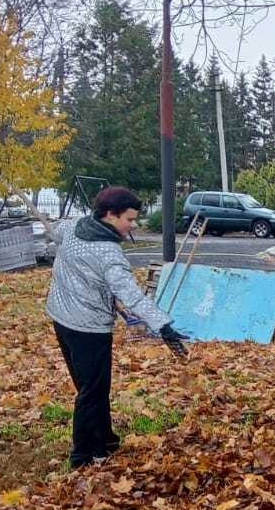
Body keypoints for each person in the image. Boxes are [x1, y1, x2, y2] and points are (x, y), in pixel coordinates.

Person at [45, 186, 189, 468]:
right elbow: (132, 296)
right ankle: (83, 457)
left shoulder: (74, 226)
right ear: (110, 215)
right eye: (129, 219)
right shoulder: (109, 254)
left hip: (61, 317)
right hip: (88, 329)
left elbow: (55, 232)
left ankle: (105, 440)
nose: (133, 225)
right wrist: (163, 325)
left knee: (90, 387)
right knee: (92, 391)